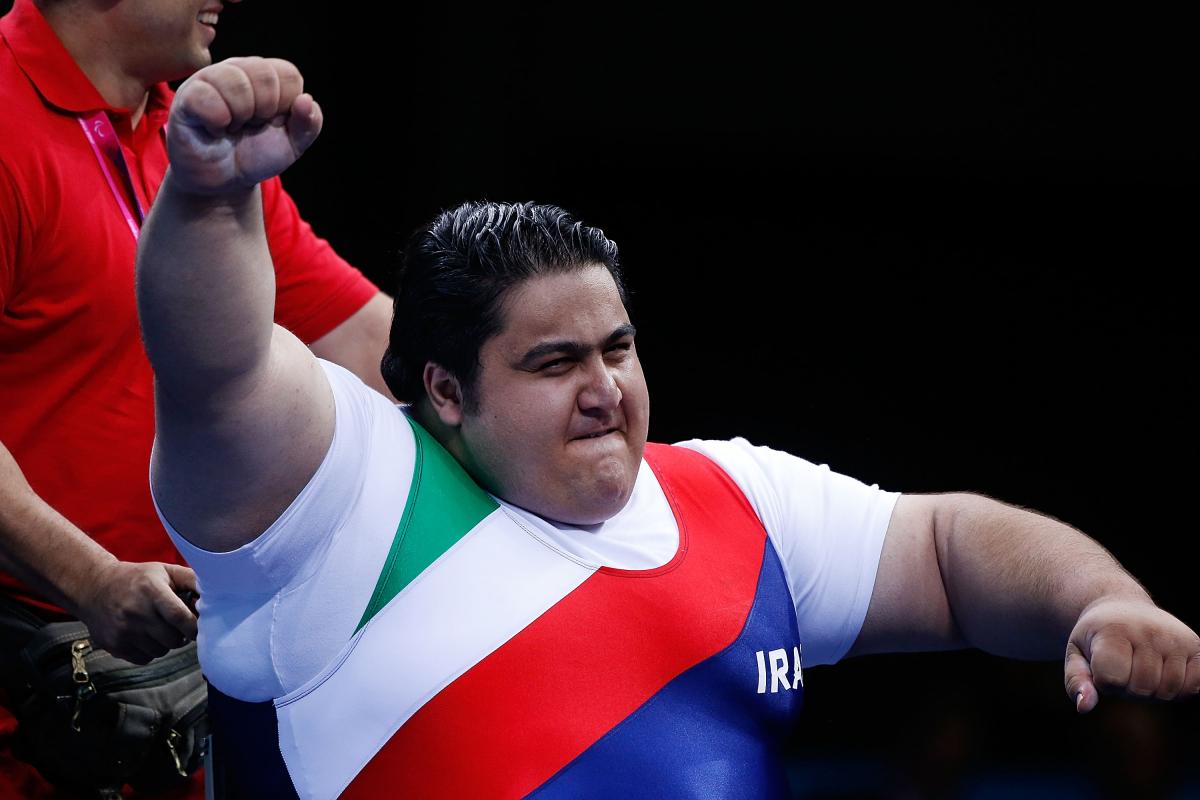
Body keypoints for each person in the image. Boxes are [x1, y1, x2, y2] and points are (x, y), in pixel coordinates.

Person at [137, 58, 1200, 799]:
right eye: (554, 363)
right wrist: (207, 200)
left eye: (617, 346)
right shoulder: (347, 503)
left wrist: (1098, 593)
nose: (605, 387)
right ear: (443, 390)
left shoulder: (737, 500)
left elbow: (948, 545)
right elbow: (217, 369)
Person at [0, 1, 392, 795]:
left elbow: (358, 337)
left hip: (155, 689)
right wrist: (90, 578)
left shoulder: (186, 132)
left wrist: (517, 407)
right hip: (26, 692)